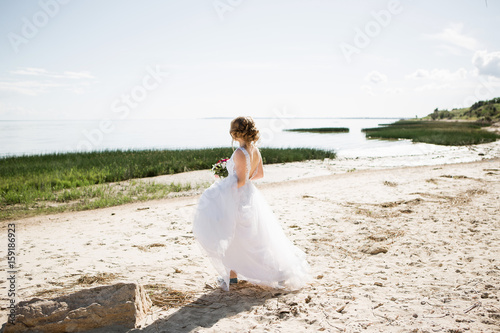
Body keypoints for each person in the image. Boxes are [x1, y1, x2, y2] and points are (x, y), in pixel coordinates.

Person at [192, 116, 312, 291]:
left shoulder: (240, 153)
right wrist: (241, 177)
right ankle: (238, 277)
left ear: (234, 134)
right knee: (251, 238)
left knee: (233, 235)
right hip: (250, 196)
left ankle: (241, 277)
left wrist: (224, 184)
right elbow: (259, 174)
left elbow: (239, 181)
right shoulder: (255, 150)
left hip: (238, 199)